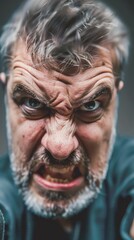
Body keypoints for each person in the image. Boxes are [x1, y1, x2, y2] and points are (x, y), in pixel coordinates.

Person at [0, 0, 134, 239]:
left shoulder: (127, 168)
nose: (60, 147)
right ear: (6, 93)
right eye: (32, 103)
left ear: (116, 96)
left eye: (90, 105)